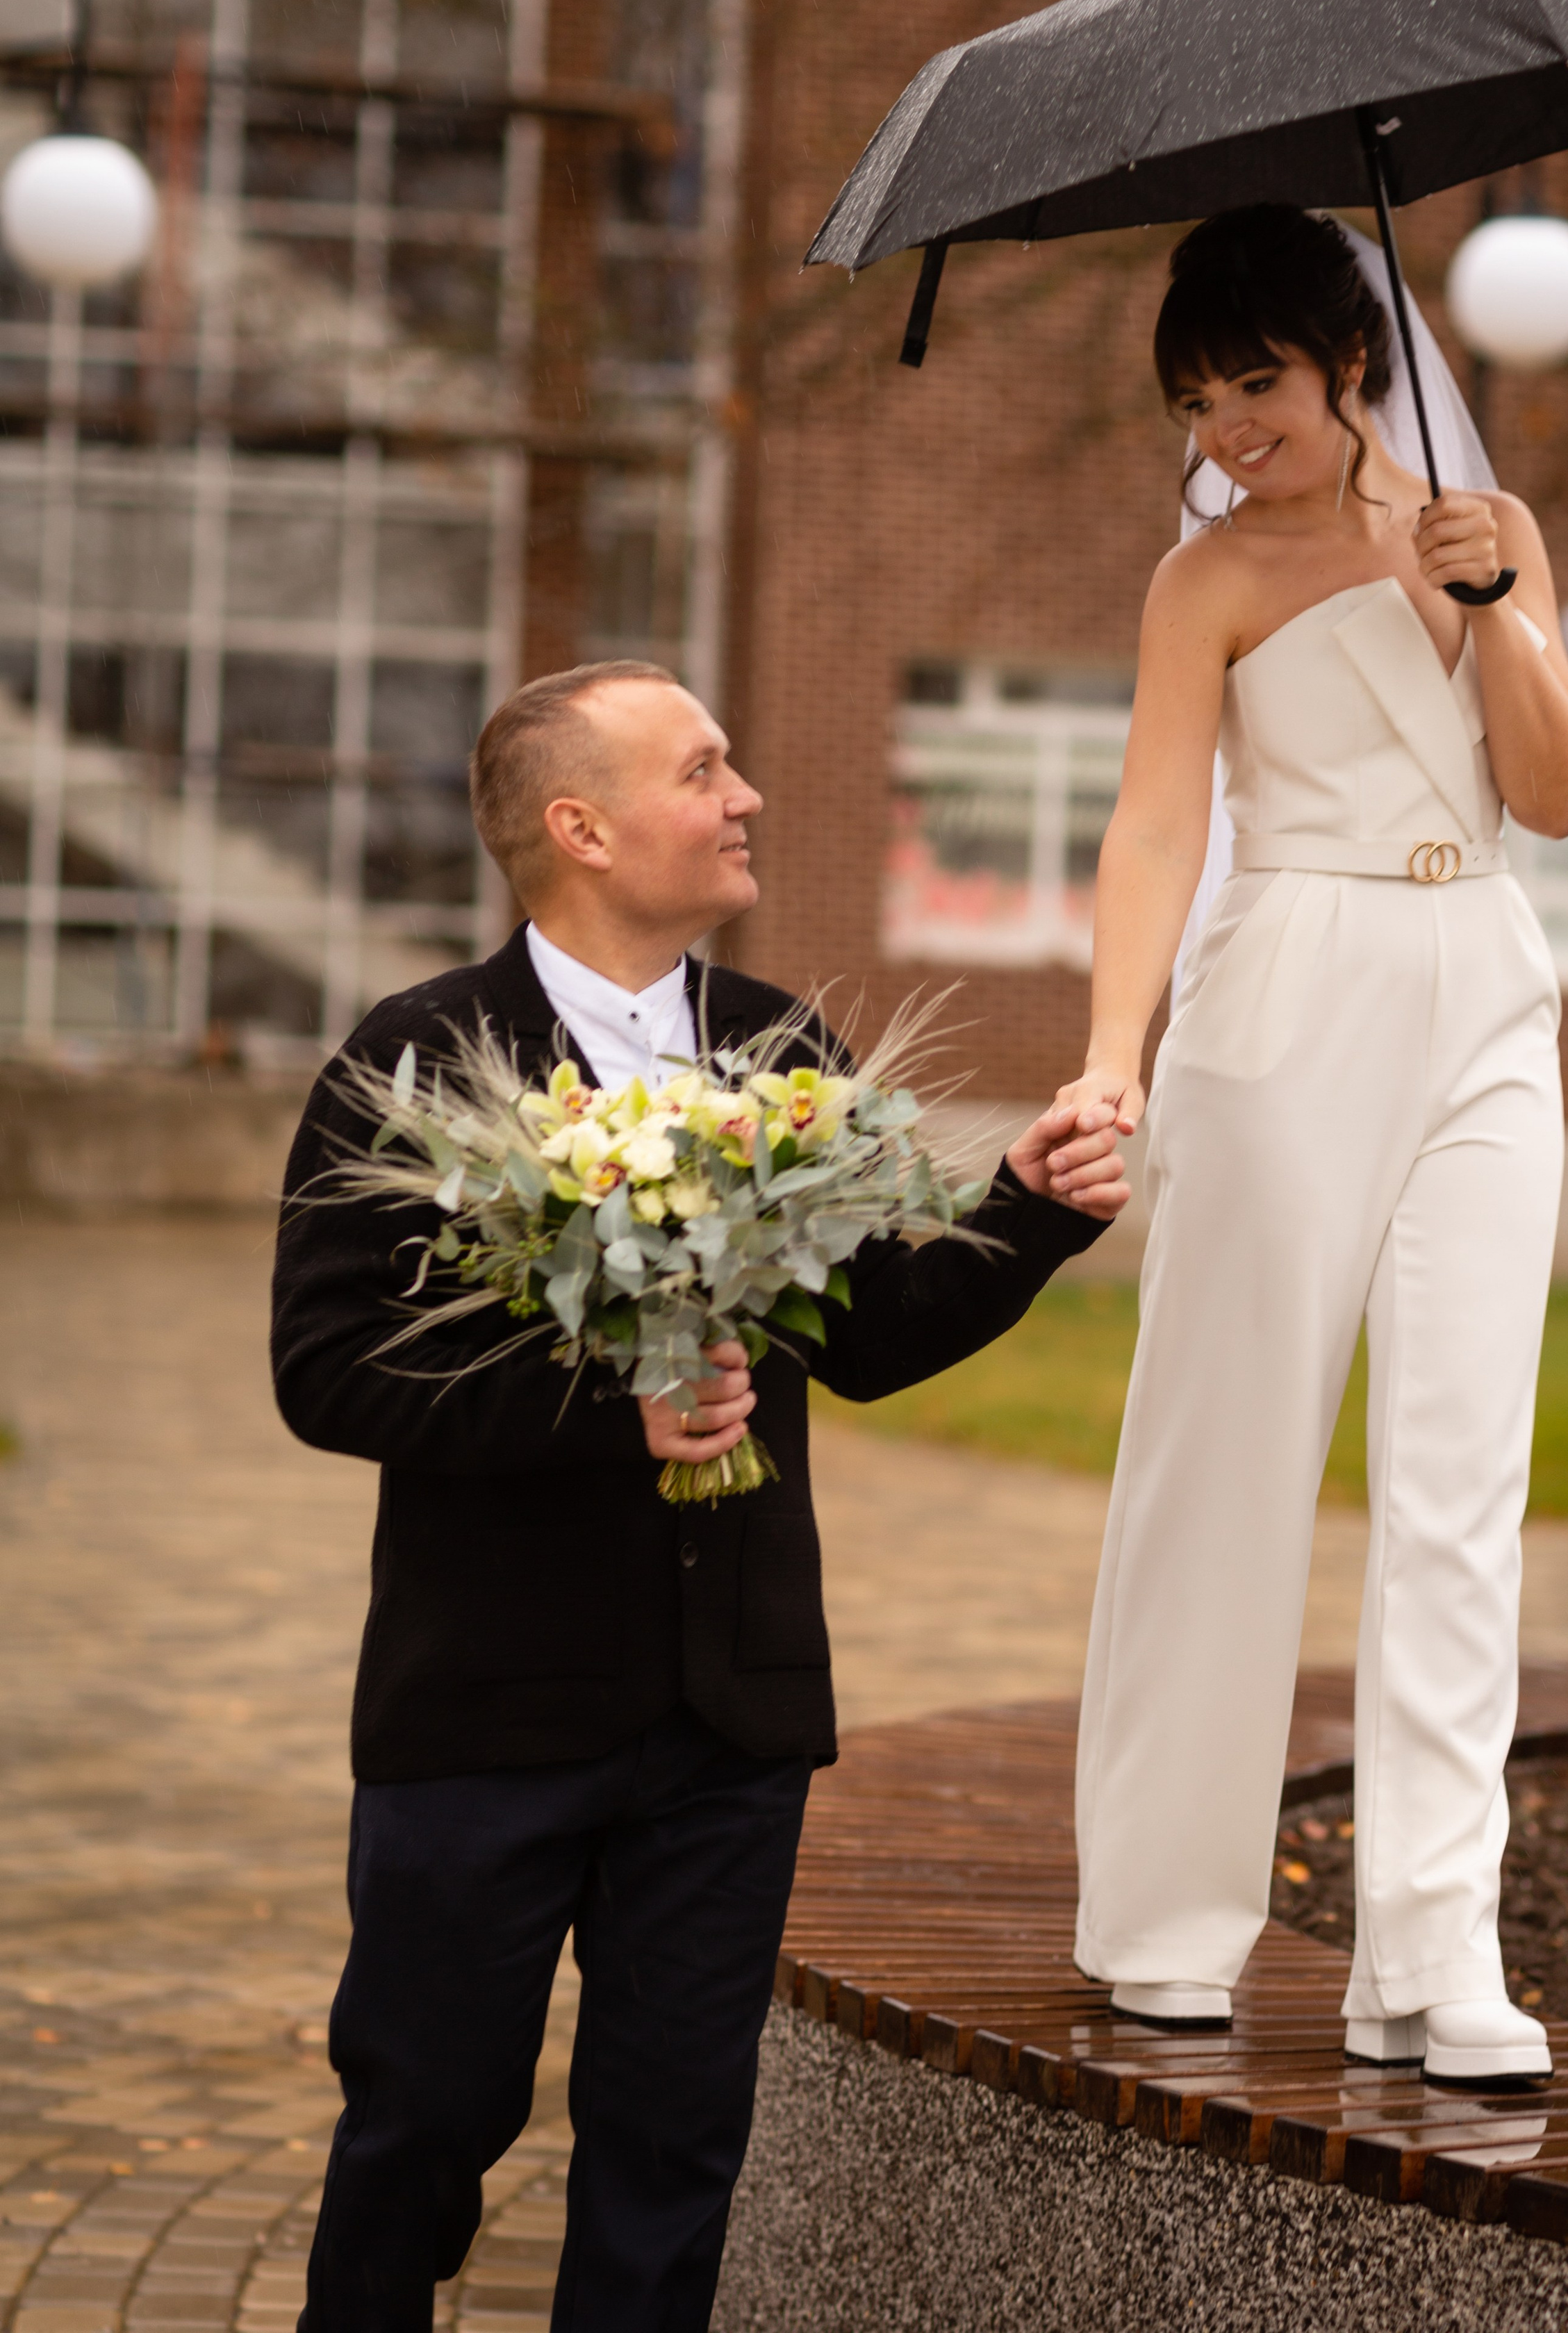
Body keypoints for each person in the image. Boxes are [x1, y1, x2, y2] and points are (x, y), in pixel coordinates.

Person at [272, 659, 1128, 2332]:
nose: (744, 798)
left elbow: (868, 1334)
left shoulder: (776, 1049)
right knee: (424, 2128)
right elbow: (326, 1371)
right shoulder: (417, 1059)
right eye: (704, 769)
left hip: (727, 1715)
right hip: (485, 1717)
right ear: (580, 826)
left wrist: (1023, 1208)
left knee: (674, 2149)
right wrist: (611, 1411)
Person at [1046, 206, 1568, 2086]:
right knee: (1230, 1450)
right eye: (1199, 404)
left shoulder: (1488, 530)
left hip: (1484, 995)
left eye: (1257, 388)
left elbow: (1561, 795)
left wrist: (1491, 608)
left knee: (1465, 1482)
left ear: (1352, 366)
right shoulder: (1196, 580)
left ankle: (1436, 1959)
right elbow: (1150, 831)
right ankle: (1166, 1922)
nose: (1229, 434)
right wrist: (1114, 1054)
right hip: (1287, 987)